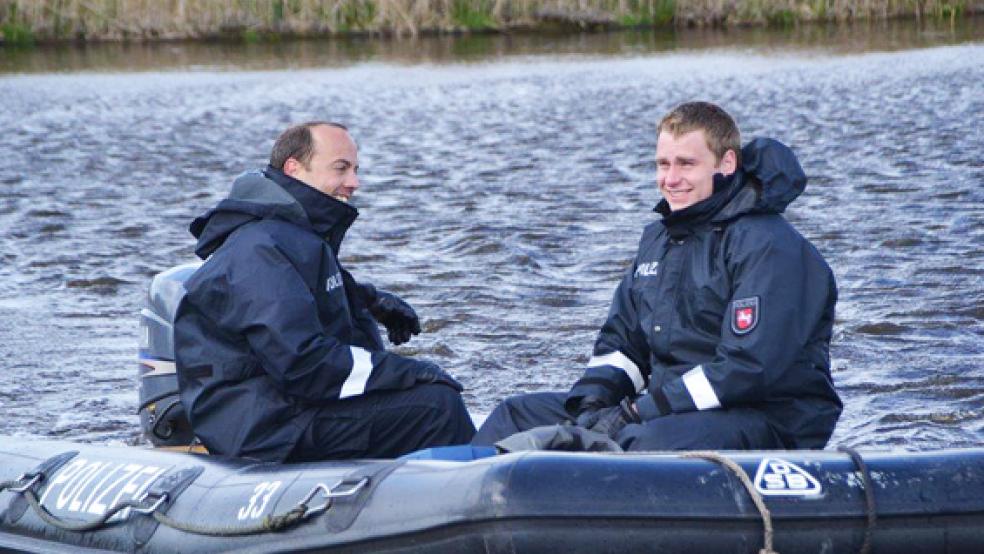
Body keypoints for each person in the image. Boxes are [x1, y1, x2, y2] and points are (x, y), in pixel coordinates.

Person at [473, 102, 842, 451]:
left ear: (727, 163)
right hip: (669, 409)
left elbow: (746, 370)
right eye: (663, 164)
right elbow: (623, 346)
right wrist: (592, 406)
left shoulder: (769, 247)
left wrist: (636, 412)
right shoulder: (659, 242)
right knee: (516, 415)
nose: (671, 179)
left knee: (639, 443)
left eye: (686, 164)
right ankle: (461, 488)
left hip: (766, 417)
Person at [174, 122, 475, 462]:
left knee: (424, 394)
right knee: (436, 407)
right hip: (265, 426)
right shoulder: (259, 247)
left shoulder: (291, 234)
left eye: (356, 170)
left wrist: (369, 301)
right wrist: (407, 371)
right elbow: (302, 363)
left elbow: (302, 291)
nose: (354, 182)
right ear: (294, 168)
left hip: (287, 406)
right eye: (341, 168)